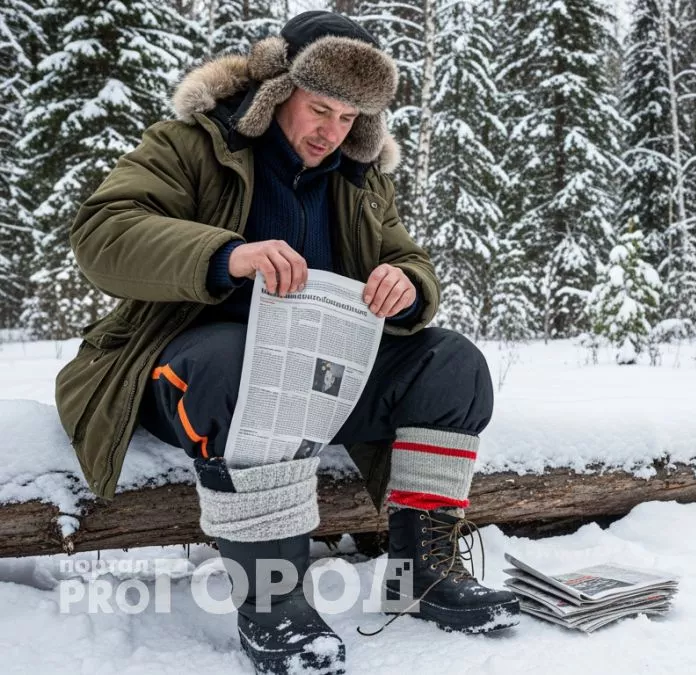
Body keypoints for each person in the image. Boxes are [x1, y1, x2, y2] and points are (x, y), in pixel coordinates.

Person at [54, 11, 517, 674]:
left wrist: (407, 284)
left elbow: (407, 258)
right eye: (319, 109)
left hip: (318, 375)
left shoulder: (359, 178)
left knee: (452, 363)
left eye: (349, 118)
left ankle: (423, 575)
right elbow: (103, 233)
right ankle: (274, 603)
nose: (331, 132)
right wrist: (226, 256)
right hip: (188, 372)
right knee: (236, 363)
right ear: (277, 91)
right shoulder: (192, 143)